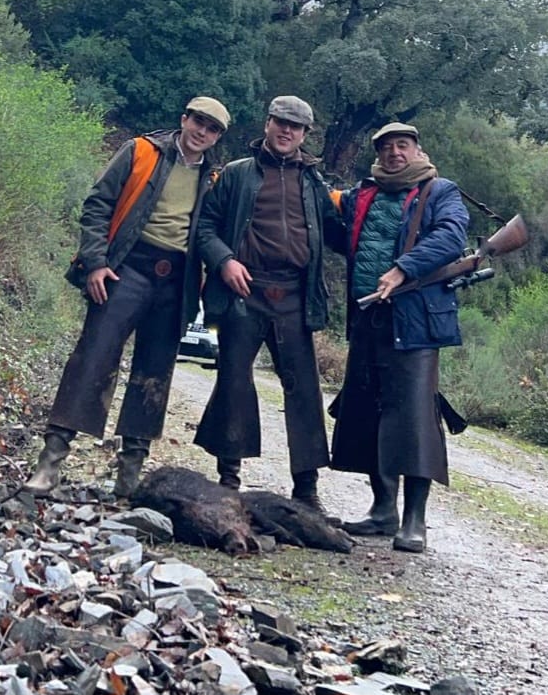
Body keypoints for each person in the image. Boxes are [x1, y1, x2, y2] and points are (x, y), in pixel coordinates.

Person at [24, 96, 231, 498]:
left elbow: (212, 231)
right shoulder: (141, 151)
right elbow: (97, 204)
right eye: (198, 122)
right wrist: (96, 262)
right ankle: (49, 464)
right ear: (184, 118)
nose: (202, 132)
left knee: (155, 372)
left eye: (212, 129)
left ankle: (130, 476)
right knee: (92, 356)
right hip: (126, 267)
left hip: (177, 279)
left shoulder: (215, 178)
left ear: (217, 137)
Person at [193, 95, 345, 512]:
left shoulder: (314, 183)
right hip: (245, 291)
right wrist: (224, 261)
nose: (286, 131)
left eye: (295, 127)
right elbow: (204, 226)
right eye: (280, 122)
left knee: (304, 390)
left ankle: (307, 490)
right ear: (268, 124)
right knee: (234, 380)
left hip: (295, 294)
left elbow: (339, 233)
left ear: (305, 134)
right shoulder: (236, 174)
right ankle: (228, 479)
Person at [330, 123, 469, 552]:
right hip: (368, 318)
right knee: (368, 412)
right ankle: (383, 511)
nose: (394, 153)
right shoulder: (362, 195)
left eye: (402, 145)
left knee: (414, 420)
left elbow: (451, 236)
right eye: (386, 147)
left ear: (417, 149)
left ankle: (414, 521)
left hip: (416, 322)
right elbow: (341, 236)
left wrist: (402, 269)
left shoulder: (440, 191)